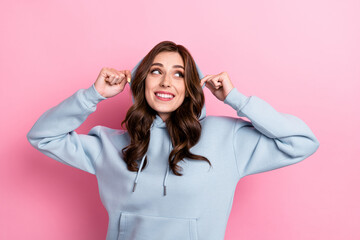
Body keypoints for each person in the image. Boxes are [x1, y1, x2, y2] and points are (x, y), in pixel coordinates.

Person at [27, 40, 320, 240]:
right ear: (142, 81)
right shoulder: (109, 145)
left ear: (191, 86)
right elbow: (43, 136)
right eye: (156, 71)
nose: (166, 82)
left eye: (178, 74)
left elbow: (301, 141)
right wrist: (93, 95)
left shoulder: (227, 138)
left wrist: (236, 99)